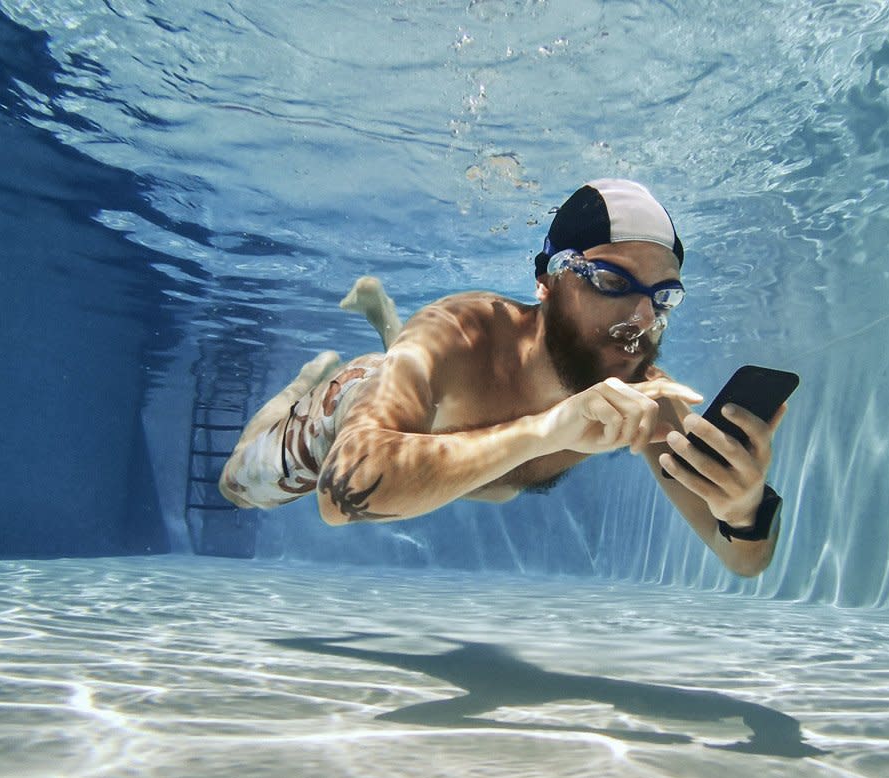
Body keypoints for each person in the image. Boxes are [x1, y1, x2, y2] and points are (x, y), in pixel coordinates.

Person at [220, 179, 788, 577]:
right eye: (614, 282)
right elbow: (337, 500)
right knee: (238, 488)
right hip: (345, 412)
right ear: (547, 278)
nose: (642, 319)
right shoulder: (461, 331)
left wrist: (742, 511)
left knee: (444, 423)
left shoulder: (644, 397)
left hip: (432, 418)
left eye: (662, 298)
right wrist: (547, 430)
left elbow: (741, 560)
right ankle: (304, 381)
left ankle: (381, 321)